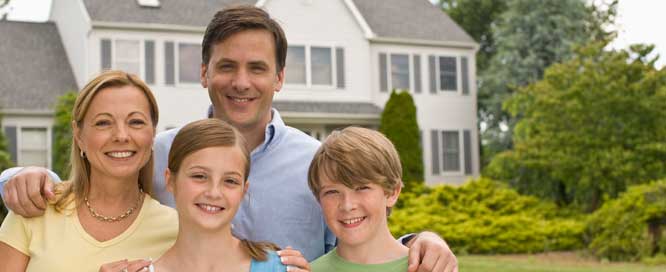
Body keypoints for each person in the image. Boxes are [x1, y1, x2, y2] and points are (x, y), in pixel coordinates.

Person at [0, 5, 456, 271]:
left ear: (278, 77)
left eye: (257, 68)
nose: (241, 82)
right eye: (226, 66)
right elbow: (99, 176)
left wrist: (421, 239)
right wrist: (21, 174)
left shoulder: (316, 162)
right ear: (204, 73)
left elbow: (360, 230)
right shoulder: (158, 151)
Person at [0, 70, 178, 272]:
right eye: (103, 122)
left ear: (152, 133)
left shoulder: (175, 230)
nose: (121, 135)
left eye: (136, 122)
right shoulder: (34, 208)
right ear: (79, 135)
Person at [103, 118, 288, 272]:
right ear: (170, 180)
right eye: (199, 176)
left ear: (243, 191)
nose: (214, 192)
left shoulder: (280, 268)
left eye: (230, 181)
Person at [308, 127, 432, 272]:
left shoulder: (428, 268)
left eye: (361, 188)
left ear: (392, 192)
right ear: (319, 200)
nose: (347, 205)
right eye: (332, 192)